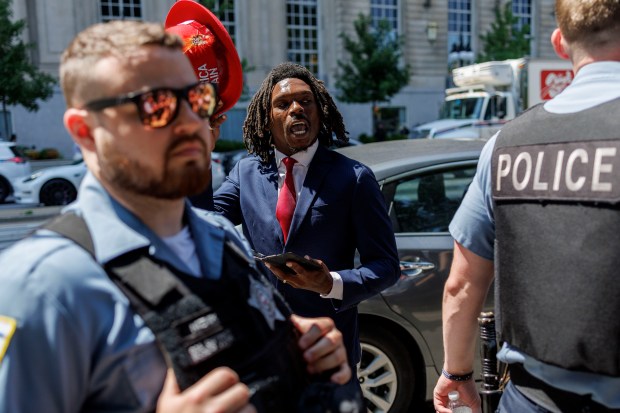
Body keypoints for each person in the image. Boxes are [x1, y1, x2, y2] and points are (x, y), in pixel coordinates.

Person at [0, 20, 353, 413]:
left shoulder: (223, 238)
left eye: (199, 99)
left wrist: (300, 350)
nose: (190, 122)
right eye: (156, 104)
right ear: (85, 131)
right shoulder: (41, 288)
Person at [433, 1, 620, 412]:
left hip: (530, 399)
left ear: (559, 42)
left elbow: (462, 284)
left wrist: (457, 372)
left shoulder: (505, 144)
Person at [211, 62, 400, 374]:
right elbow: (202, 220)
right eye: (283, 104)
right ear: (266, 119)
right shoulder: (245, 173)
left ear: (319, 111)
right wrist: (201, 143)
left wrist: (332, 283)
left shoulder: (353, 178)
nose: (296, 109)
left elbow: (386, 266)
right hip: (264, 348)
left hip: (329, 352)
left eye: (305, 101)